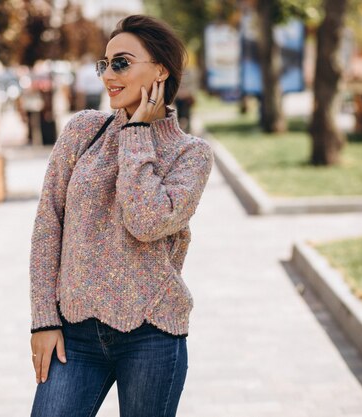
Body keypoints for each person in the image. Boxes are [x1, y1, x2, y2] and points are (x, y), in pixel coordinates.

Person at [29, 15, 214, 417]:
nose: (108, 75)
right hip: (74, 335)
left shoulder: (190, 154)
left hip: (152, 335)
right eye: (105, 64)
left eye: (122, 63)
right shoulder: (83, 131)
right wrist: (43, 321)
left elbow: (145, 221)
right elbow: (48, 226)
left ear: (161, 69)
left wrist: (136, 134)